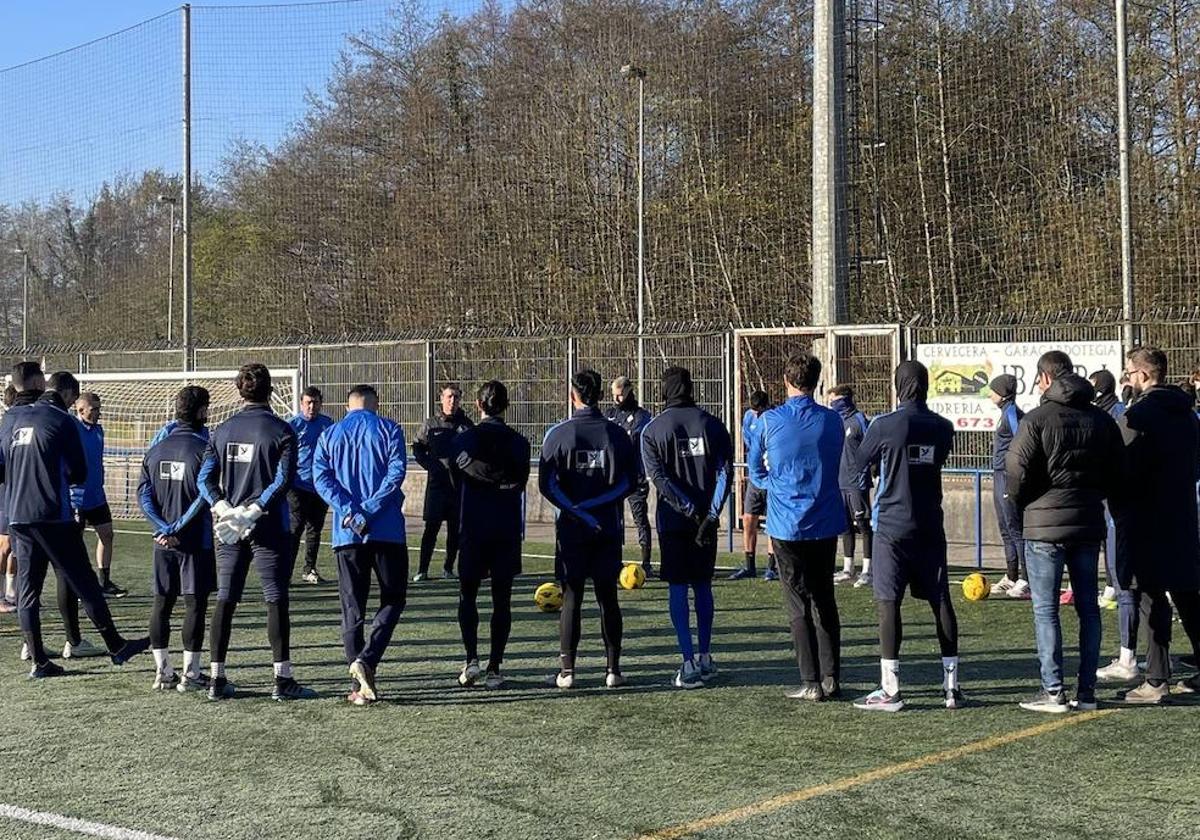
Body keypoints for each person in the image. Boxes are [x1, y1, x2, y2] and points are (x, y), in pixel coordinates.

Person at [0, 361, 148, 678]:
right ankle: (116, 646)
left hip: (17, 515)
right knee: (84, 582)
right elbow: (79, 473)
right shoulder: (61, 420)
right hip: (53, 514)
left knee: (28, 589)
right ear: (66, 395)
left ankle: (39, 661)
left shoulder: (11, 418)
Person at [1007, 351, 1125, 713]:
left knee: (1046, 610)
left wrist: (1024, 502)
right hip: (1088, 521)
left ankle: (1054, 691)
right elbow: (1119, 468)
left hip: (1044, 524)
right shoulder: (1102, 420)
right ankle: (1086, 692)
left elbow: (1017, 469)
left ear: (1045, 379)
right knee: (1089, 609)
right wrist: (1093, 494)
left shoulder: (1038, 418)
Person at [851, 361, 963, 711]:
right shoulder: (944, 427)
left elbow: (859, 464)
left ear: (898, 385)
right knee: (940, 600)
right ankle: (951, 687)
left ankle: (890, 689)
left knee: (888, 602)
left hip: (892, 526)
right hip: (931, 522)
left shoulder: (885, 425)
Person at [199, 363, 309, 702]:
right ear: (271, 390)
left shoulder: (221, 430)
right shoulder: (282, 430)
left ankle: (217, 679)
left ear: (239, 390)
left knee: (225, 599)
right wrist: (255, 509)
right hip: (269, 526)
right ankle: (282, 679)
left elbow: (204, 479)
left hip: (230, 528)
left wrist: (224, 509)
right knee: (275, 598)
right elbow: (284, 479)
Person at [750, 353, 845, 701]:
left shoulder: (770, 420)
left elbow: (755, 469)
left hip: (786, 524)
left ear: (786, 382)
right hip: (824, 519)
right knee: (825, 599)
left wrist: (774, 486)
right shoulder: (832, 421)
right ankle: (832, 676)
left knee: (797, 602)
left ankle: (810, 681)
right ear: (816, 383)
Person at [1107, 348, 1200, 702]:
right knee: (1188, 596)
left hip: (1146, 518)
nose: (1127, 379)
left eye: (1129, 372)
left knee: (1149, 596)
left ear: (1143, 376)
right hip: (1182, 516)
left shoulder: (1139, 416)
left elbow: (1122, 467)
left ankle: (1156, 680)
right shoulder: (1188, 415)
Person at [539, 369, 638, 689]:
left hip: (571, 529)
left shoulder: (558, 434)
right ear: (600, 394)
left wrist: (578, 511)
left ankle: (567, 671)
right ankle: (613, 670)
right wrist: (597, 509)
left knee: (571, 599)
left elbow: (546, 485)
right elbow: (630, 482)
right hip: (607, 527)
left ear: (573, 395)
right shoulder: (617, 434)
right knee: (608, 598)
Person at [312, 385, 409, 706]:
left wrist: (350, 510)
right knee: (393, 599)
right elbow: (396, 473)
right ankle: (368, 660)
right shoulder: (390, 429)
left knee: (352, 607)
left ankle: (359, 680)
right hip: (387, 531)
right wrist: (367, 509)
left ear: (347, 405)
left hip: (347, 534)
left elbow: (321, 478)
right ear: (376, 404)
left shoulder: (331, 434)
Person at [642, 367, 733, 688]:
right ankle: (706, 656)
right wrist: (710, 514)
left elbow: (660, 480)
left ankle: (688, 661)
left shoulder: (653, 431)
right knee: (703, 586)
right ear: (692, 388)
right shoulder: (713, 424)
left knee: (678, 588)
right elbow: (725, 473)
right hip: (705, 524)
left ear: (663, 391)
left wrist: (689, 510)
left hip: (674, 522)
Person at [451, 380, 530, 689]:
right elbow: (519, 482)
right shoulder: (520, 443)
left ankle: (471, 660)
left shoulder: (464, 441)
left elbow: (455, 478)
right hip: (506, 526)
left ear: (478, 404)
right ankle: (495, 666)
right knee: (502, 599)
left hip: (473, 524)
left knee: (467, 594)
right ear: (506, 406)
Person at [138, 386, 215, 693]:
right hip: (194, 539)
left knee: (162, 603)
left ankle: (162, 672)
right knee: (194, 604)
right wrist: (178, 527)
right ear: (201, 412)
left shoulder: (156, 449)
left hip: (162, 541)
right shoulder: (205, 449)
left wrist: (162, 527)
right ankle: (192, 674)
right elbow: (204, 495)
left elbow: (143, 494)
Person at [38, 373, 102, 660]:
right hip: (61, 510)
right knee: (67, 575)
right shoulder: (64, 423)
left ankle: (33, 644)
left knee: (33, 577)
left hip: (28, 512)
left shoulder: (25, 420)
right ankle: (74, 641)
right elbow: (76, 472)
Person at [412, 385, 474, 581]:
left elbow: (475, 450)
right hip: (437, 487)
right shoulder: (430, 424)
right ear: (441, 398)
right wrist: (431, 465)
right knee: (431, 529)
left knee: (455, 531)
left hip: (459, 487)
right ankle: (422, 570)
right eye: (449, 397)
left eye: (456, 397)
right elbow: (417, 448)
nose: (452, 401)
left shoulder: (466, 425)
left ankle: (448, 568)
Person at [70, 391, 125, 598]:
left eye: (99, 409)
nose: (98, 413)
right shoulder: (72, 428)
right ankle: (76, 584)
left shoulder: (99, 430)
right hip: (76, 496)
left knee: (107, 534)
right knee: (75, 543)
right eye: (94, 410)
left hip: (96, 495)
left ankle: (104, 581)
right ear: (80, 409)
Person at [605, 375, 655, 578]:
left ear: (628, 391)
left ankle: (647, 562)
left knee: (640, 519)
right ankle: (613, 560)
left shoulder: (642, 416)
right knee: (614, 521)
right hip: (614, 478)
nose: (617, 399)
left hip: (635, 477)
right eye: (614, 396)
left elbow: (631, 438)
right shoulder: (608, 414)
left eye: (620, 395)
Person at [986, 375, 1029, 599]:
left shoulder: (1012, 413)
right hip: (998, 474)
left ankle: (1025, 577)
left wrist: (1015, 470)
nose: (989, 394)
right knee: (1004, 527)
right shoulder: (1004, 412)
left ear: (1003, 393)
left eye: (993, 390)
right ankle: (1011, 575)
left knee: (1015, 527)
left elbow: (1021, 439)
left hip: (1008, 475)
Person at [288, 386, 335, 585]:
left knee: (315, 529)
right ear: (301, 403)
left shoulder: (328, 425)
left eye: (315, 402)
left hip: (321, 486)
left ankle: (309, 569)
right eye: (308, 402)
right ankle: (286, 571)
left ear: (321, 403)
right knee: (295, 528)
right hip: (298, 485)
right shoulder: (292, 425)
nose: (311, 406)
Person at [730, 391, 777, 581]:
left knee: (772, 524)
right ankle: (749, 565)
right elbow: (749, 441)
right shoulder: (749, 417)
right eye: (754, 410)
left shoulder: (774, 418)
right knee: (748, 519)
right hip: (755, 479)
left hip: (772, 480)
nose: (757, 414)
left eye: (760, 410)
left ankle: (772, 567)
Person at [829, 384, 873, 588]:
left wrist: (868, 472)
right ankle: (848, 568)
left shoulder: (859, 420)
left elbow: (871, 447)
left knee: (863, 524)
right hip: (839, 482)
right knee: (844, 525)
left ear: (844, 399)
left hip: (857, 482)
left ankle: (868, 569)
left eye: (835, 400)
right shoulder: (836, 421)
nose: (832, 404)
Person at [0, 384, 16, 613]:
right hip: (5, 494)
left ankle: (12, 591)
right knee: (4, 546)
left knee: (16, 546)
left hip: (19, 492)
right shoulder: (6, 427)